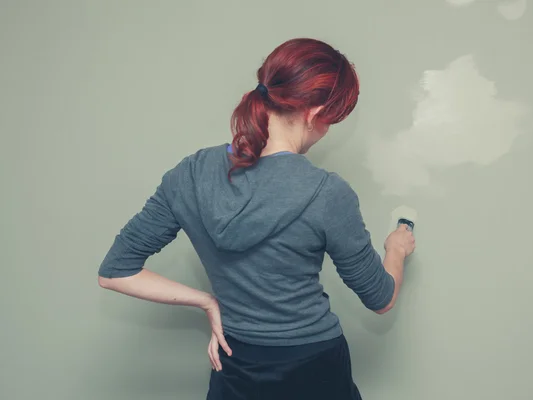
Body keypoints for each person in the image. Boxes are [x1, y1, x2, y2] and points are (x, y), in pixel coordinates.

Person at [97, 38, 416, 400]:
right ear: (315, 113)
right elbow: (380, 297)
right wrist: (396, 249)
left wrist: (208, 301)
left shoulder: (191, 173)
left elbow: (114, 272)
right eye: (332, 119)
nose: (328, 130)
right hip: (313, 367)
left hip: (235, 363)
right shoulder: (327, 193)